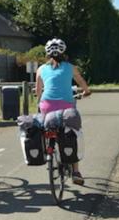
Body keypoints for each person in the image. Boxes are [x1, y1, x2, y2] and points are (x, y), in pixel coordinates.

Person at [35, 38, 91, 185]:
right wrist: (86, 91)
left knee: (49, 126)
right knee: (73, 132)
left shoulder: (41, 69)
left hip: (46, 106)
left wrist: (39, 104)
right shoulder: (71, 67)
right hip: (66, 106)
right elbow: (81, 82)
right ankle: (76, 171)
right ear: (63, 52)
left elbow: (38, 90)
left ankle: (50, 145)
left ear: (47, 54)